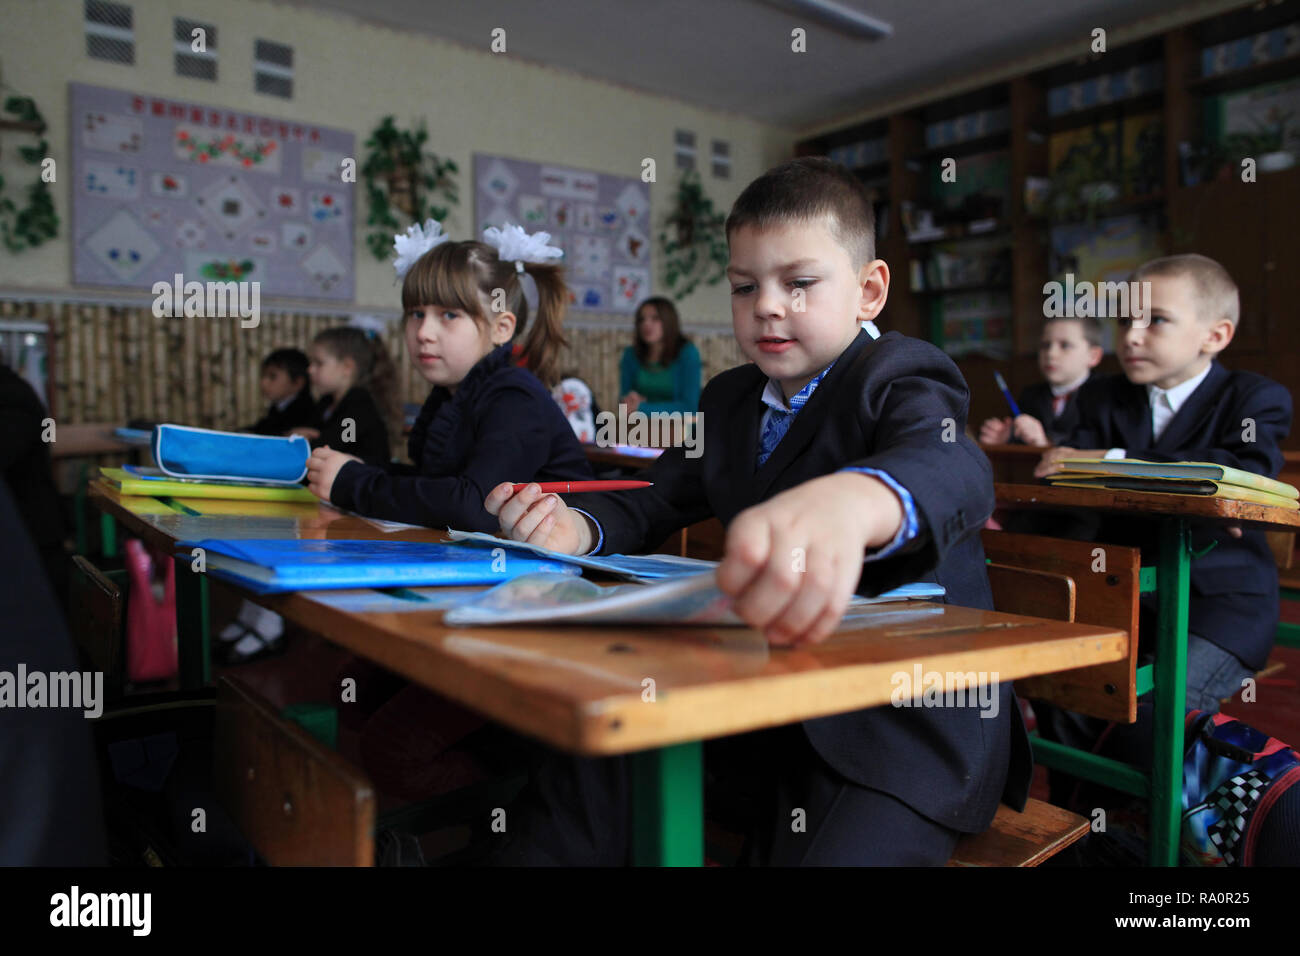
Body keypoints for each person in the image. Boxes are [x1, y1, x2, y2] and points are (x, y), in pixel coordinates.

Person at [484, 158, 1031, 865]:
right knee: (597, 745)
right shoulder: (728, 399)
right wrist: (577, 524)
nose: (767, 306)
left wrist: (858, 499)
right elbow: (660, 494)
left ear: (869, 291)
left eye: (799, 283)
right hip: (766, 695)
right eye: (745, 287)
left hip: (899, 732)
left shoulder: (901, 375)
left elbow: (954, 466)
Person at [1032, 253, 1292, 793]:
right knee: (1063, 690)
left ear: (1215, 335)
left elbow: (1236, 473)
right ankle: (1081, 834)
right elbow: (1071, 483)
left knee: (1153, 716)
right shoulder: (1102, 396)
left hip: (1220, 605)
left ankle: (1144, 846)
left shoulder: (1253, 397)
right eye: (1126, 321)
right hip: (1123, 591)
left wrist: (1115, 461)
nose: (1133, 336)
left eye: (1157, 320)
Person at [979, 315, 1103, 447]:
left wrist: (1045, 443)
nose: (1051, 354)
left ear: (1093, 356)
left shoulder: (1105, 397)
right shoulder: (1030, 396)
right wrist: (1004, 439)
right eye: (1045, 345)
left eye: (1065, 345)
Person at [290, 327, 397, 468]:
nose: (310, 370)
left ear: (347, 367)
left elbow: (341, 446)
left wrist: (315, 439)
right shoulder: (326, 402)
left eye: (319, 363)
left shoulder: (359, 406)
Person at [618, 296, 702, 414]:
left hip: (681, 428)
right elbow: (623, 403)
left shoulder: (688, 353)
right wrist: (629, 400)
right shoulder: (630, 354)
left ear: (668, 321)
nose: (646, 324)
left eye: (655, 318)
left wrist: (642, 408)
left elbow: (690, 407)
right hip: (640, 427)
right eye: (641, 319)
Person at [245, 347, 315, 436]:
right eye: (263, 376)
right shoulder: (277, 408)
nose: (263, 383)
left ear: (297, 382)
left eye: (272, 377)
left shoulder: (305, 414)